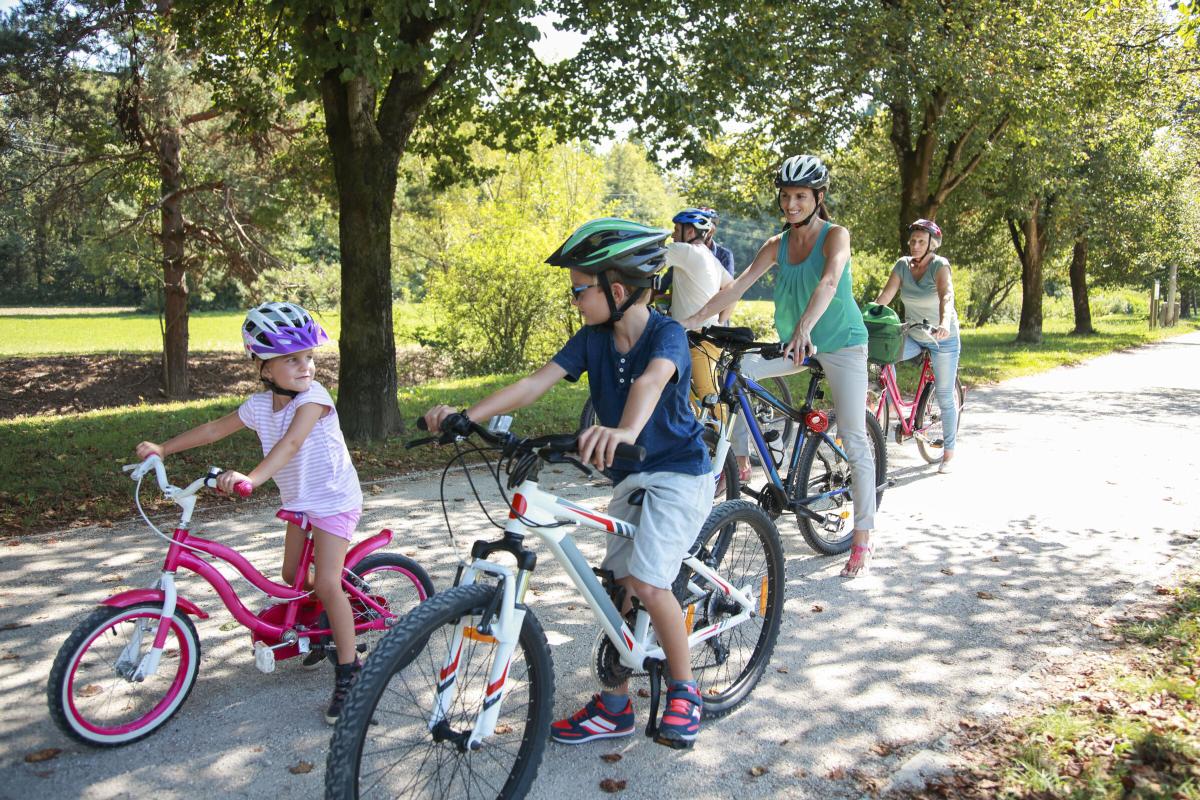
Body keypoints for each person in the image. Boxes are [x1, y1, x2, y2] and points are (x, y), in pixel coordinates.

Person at [422, 218, 714, 749]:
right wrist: (466, 415)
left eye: (580, 289)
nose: (575, 299)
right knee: (618, 588)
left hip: (678, 473)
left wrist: (624, 429)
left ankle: (685, 689)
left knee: (648, 583)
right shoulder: (592, 339)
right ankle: (615, 705)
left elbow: (652, 381)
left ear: (617, 290)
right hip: (632, 473)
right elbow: (536, 383)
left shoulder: (665, 333)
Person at [134, 301, 365, 723]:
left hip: (333, 500)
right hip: (299, 501)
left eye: (309, 357)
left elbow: (291, 444)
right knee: (290, 574)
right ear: (263, 366)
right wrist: (163, 448)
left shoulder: (314, 398)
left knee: (328, 583)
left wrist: (253, 479)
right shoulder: (260, 406)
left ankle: (351, 673)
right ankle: (328, 617)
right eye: (291, 359)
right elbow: (213, 429)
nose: (305, 366)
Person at [680, 155, 877, 578]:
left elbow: (829, 280)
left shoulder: (835, 235)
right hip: (796, 344)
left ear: (818, 197)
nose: (791, 204)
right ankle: (744, 461)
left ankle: (862, 537)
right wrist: (693, 322)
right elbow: (737, 285)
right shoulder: (777, 245)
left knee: (855, 437)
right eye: (786, 197)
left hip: (840, 343)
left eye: (800, 197)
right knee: (737, 374)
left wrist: (807, 324)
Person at [874, 218, 960, 473]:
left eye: (921, 241)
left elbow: (946, 295)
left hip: (942, 336)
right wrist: (868, 315)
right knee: (885, 357)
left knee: (944, 395)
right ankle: (891, 405)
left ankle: (948, 453)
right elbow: (885, 296)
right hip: (913, 332)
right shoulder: (902, 265)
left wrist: (944, 322)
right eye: (913, 240)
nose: (915, 244)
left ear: (932, 244)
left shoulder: (940, 266)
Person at [666, 208, 734, 431]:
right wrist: (722, 321)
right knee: (687, 392)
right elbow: (732, 287)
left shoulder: (687, 251)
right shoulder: (710, 258)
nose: (673, 234)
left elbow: (649, 255)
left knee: (709, 396)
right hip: (701, 336)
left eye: (677, 229)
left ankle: (725, 456)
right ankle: (700, 434)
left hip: (700, 340)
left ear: (691, 231)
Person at [697, 206, 736, 276]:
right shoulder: (685, 249)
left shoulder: (724, 255)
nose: (702, 231)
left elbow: (728, 285)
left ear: (713, 230)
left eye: (707, 228)